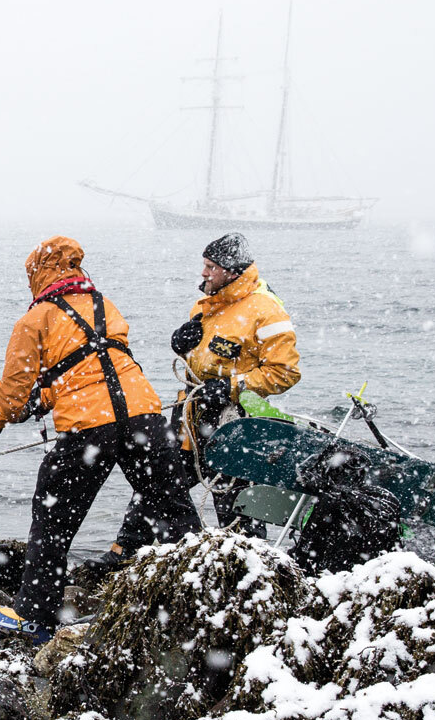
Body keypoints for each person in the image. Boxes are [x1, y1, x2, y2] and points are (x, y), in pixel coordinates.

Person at [0, 236, 202, 644]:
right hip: (145, 416)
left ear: (38, 273)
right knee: (174, 512)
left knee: (52, 522)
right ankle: (204, 599)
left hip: (91, 428)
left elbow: (12, 392)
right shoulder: (104, 305)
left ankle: (35, 616)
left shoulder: (35, 319)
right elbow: (98, 365)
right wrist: (51, 394)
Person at [106, 232, 300, 561]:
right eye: (204, 265)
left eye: (211, 267)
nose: (204, 273)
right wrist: (181, 345)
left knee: (236, 506)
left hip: (236, 423)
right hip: (190, 416)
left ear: (232, 270)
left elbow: (286, 373)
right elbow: (204, 355)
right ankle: (122, 554)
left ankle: (246, 569)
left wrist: (231, 386)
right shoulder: (206, 303)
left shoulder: (266, 311)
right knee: (157, 483)